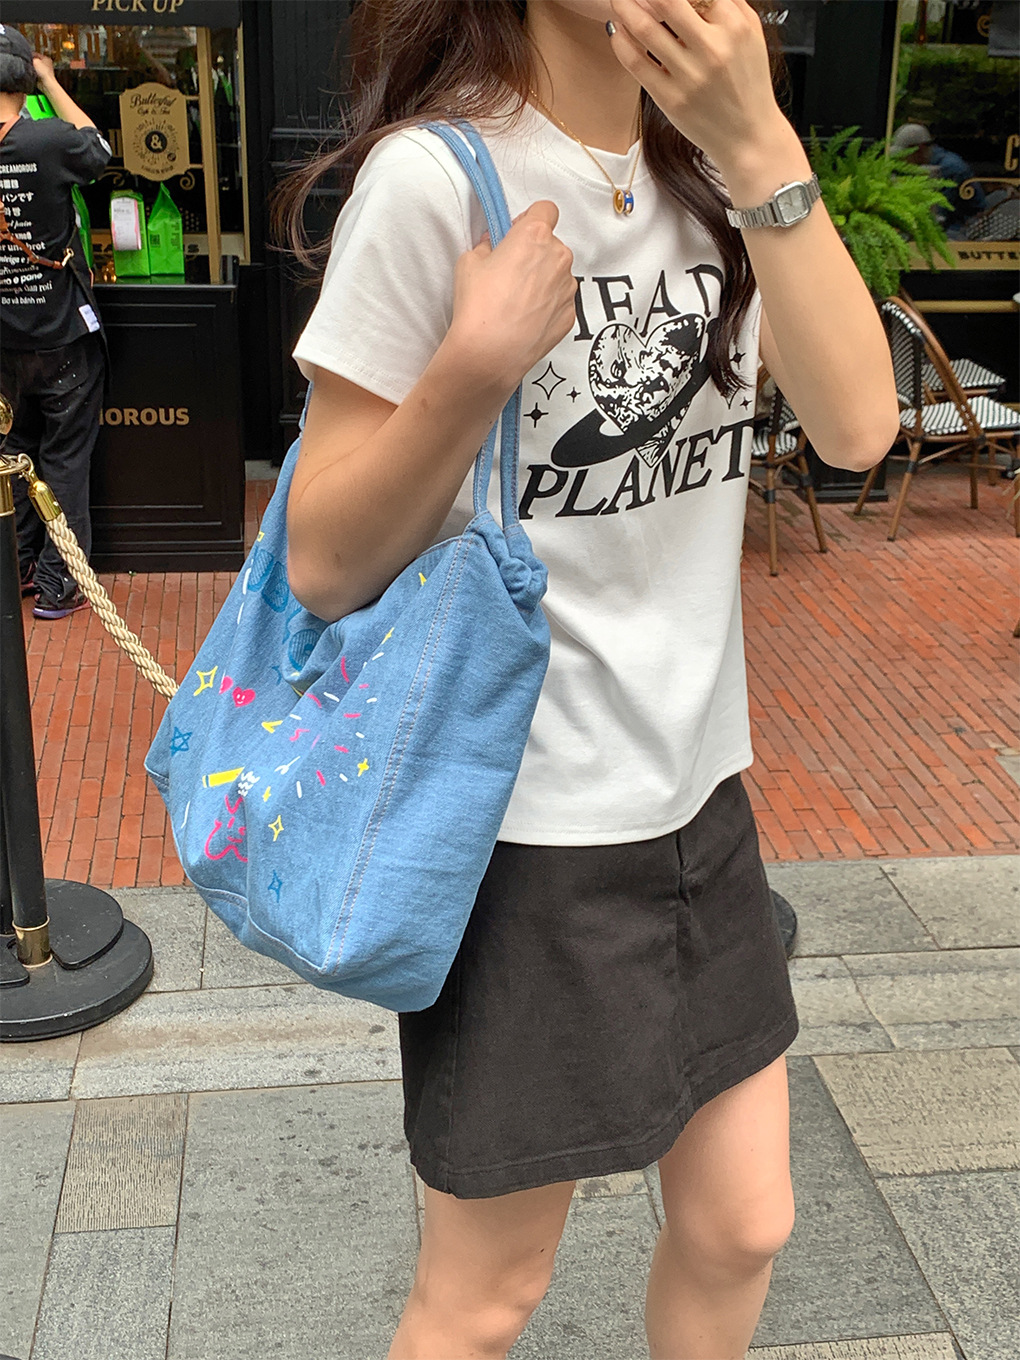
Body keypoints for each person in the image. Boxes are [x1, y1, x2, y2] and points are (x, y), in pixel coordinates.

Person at [283, 2, 899, 1356]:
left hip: (700, 796)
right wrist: (471, 371)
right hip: (522, 831)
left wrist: (759, 139)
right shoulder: (439, 180)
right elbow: (320, 559)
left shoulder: (721, 163)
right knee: (485, 1296)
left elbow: (860, 429)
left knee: (743, 1223)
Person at [0, 27, 109, 620]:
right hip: (60, 330)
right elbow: (98, 147)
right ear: (24, 78)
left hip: (3, 340)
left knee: (12, 450)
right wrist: (51, 81)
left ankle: (14, 565)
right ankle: (59, 581)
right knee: (64, 457)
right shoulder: (45, 141)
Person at [890, 121, 988, 235]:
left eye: (904, 156)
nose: (901, 161)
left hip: (964, 229)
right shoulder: (925, 164)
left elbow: (937, 215)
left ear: (918, 150)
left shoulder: (949, 169)